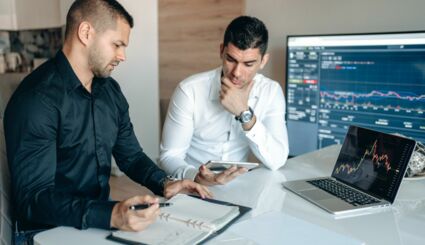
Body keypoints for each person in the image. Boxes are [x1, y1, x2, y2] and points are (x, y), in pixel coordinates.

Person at [4, 0, 211, 244]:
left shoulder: (110, 92)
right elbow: (34, 198)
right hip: (42, 232)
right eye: (117, 45)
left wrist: (165, 183)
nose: (123, 56)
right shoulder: (37, 99)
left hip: (97, 223)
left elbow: (131, 157)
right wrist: (110, 214)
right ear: (86, 33)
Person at [159, 16, 289, 186]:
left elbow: (277, 160)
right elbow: (169, 157)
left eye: (248, 64)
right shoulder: (189, 91)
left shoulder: (271, 92)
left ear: (263, 61)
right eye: (231, 59)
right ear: (221, 51)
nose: (237, 72)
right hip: (193, 185)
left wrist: (245, 114)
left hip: (240, 187)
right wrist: (196, 177)